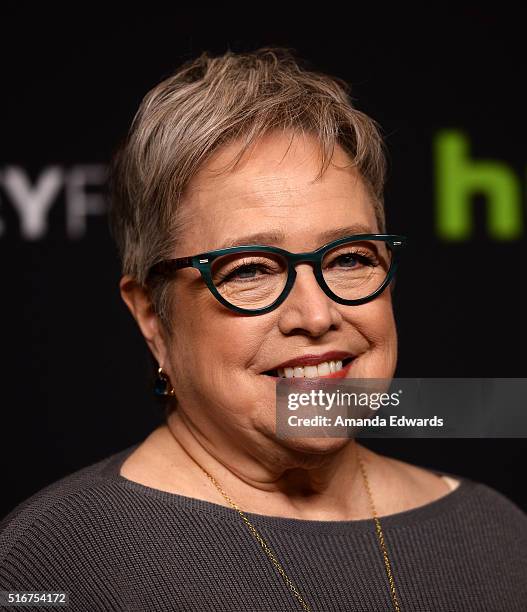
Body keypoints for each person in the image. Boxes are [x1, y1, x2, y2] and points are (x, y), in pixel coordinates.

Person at [1, 47, 526, 612]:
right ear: (152, 317)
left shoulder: (496, 534)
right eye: (250, 269)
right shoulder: (54, 561)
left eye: (349, 258)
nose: (317, 315)